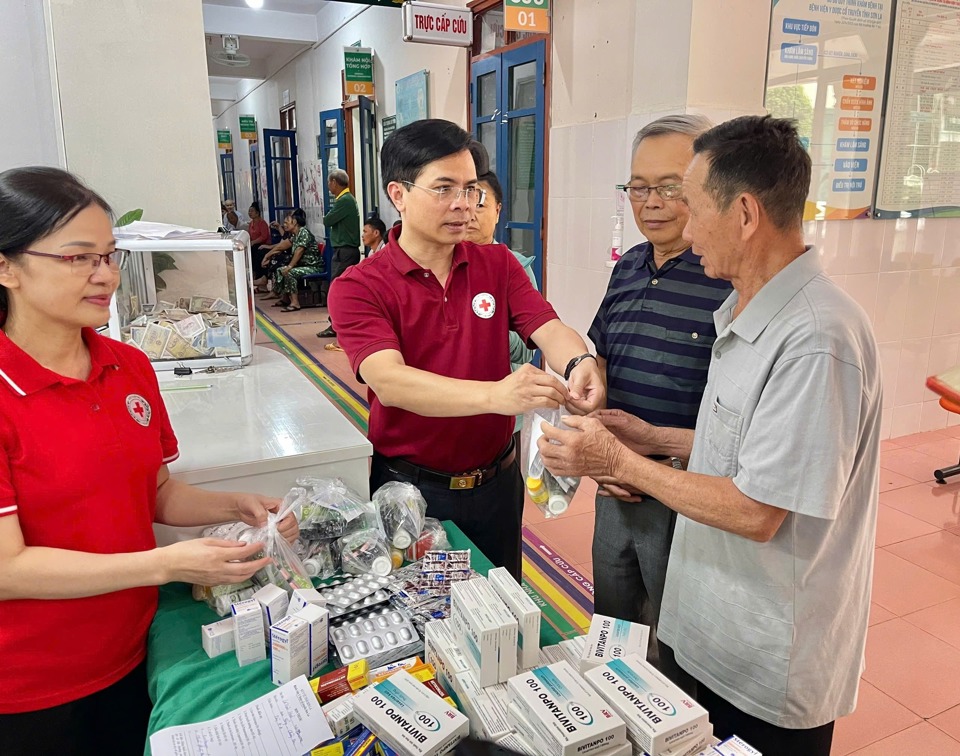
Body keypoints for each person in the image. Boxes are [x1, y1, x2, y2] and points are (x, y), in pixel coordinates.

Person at [537, 116, 881, 756]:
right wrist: (653, 435)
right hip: (713, 633)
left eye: (692, 205)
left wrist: (621, 459)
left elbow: (757, 509)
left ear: (745, 213)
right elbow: (740, 450)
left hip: (766, 663)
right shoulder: (745, 309)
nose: (683, 227)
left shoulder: (816, 339)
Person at [0, 166, 299, 755]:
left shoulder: (126, 366)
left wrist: (236, 505)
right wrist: (165, 565)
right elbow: (8, 569)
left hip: (139, 651)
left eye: (110, 256)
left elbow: (155, 492)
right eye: (78, 258)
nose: (105, 275)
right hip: (33, 687)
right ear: (6, 266)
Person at [328, 119, 605, 578]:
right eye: (443, 189)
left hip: (498, 484)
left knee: (500, 610)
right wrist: (497, 395)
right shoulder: (360, 286)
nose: (463, 205)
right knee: (423, 622)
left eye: (471, 188)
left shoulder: (496, 264)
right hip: (412, 492)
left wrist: (580, 361)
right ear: (398, 194)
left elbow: (546, 326)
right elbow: (390, 381)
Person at [587, 115, 731, 677]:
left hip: (689, 496)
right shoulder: (628, 266)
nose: (650, 202)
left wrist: (662, 457)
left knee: (678, 651)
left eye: (670, 187)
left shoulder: (727, 276)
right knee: (614, 629)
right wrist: (591, 415)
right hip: (613, 491)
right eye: (638, 187)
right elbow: (601, 347)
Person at [464, 169, 540, 444]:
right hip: (451, 409)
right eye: (466, 202)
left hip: (504, 413)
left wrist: (481, 330)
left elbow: (526, 348)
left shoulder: (516, 268)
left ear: (497, 210)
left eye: (480, 204)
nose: (470, 213)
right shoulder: (441, 269)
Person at [317, 169, 361, 338]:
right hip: (344, 251)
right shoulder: (346, 199)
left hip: (345, 251)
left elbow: (327, 220)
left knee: (337, 289)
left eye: (329, 182)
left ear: (334, 182)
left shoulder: (344, 201)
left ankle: (336, 325)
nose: (329, 186)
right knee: (341, 288)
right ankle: (340, 322)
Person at [271, 208, 323, 312]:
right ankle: (285, 298)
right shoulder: (295, 234)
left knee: (290, 272)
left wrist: (290, 266)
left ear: (294, 222)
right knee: (279, 270)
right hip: (303, 266)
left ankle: (295, 303)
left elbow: (299, 250)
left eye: (286, 222)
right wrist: (268, 255)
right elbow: (283, 245)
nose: (284, 225)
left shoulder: (304, 232)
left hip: (313, 267)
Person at [247, 201, 271, 287]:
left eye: (252, 211)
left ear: (257, 213)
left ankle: (260, 277)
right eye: (249, 211)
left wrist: (254, 242)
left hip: (264, 245)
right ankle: (253, 275)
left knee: (257, 252)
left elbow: (264, 237)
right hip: (254, 245)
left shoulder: (262, 223)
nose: (250, 213)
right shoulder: (251, 224)